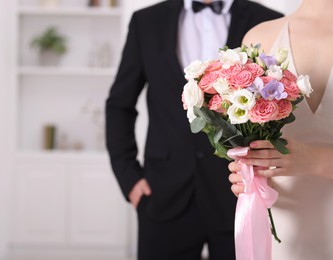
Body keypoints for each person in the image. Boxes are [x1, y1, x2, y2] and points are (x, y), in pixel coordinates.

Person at [105, 0, 282, 259]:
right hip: (162, 194)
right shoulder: (146, 21)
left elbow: (279, 105)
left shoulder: (268, 21)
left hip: (240, 195)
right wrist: (129, 178)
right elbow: (120, 105)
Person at [228, 0, 333, 259]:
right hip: (285, 233)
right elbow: (254, 145)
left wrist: (313, 159)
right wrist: (248, 173)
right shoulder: (259, 37)